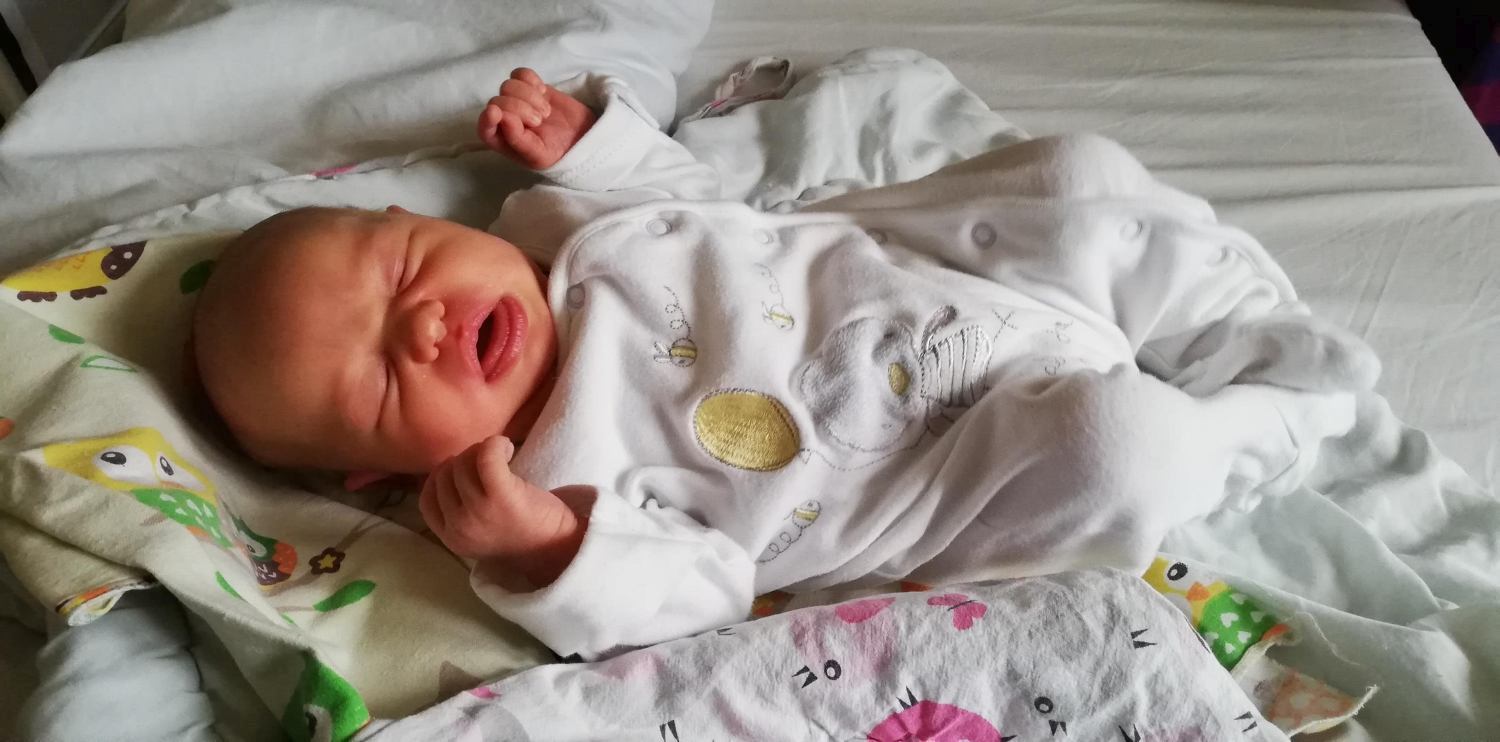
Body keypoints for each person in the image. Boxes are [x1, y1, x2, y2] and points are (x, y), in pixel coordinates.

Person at [192, 67, 1379, 659]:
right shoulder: (559, 484)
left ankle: (1230, 315)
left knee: (1076, 176)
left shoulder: (557, 235)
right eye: (383, 377)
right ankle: (1267, 428)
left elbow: (698, 206)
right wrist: (550, 552)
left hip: (959, 283)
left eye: (406, 267)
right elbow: (699, 590)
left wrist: (594, 149)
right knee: (1121, 444)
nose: (424, 323)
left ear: (425, 223)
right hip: (961, 477)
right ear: (376, 476)